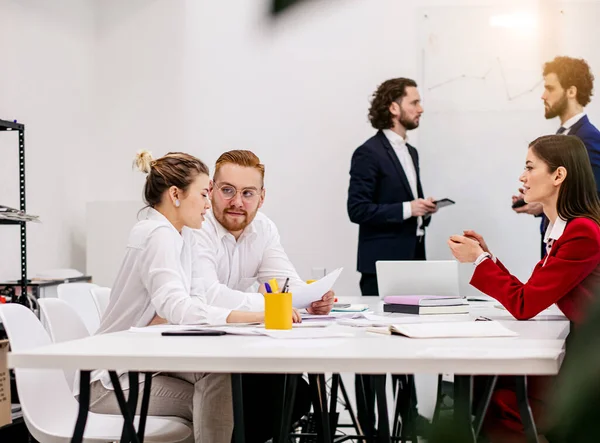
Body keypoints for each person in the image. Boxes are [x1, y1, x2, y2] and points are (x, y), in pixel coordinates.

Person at [89, 151, 300, 443]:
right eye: (204, 194)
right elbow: (176, 306)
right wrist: (254, 315)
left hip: (145, 364)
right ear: (175, 195)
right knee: (224, 399)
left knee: (223, 383)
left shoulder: (181, 234)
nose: (208, 204)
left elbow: (197, 300)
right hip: (112, 380)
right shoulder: (157, 234)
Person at [450, 135, 600, 442]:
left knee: (495, 388)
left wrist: (479, 261)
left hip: (588, 363)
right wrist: (486, 257)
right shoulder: (564, 229)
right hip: (578, 348)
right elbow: (530, 294)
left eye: (530, 167)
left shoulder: (581, 232)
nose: (522, 177)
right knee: (486, 379)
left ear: (559, 175)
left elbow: (524, 304)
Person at [194, 149, 333, 442]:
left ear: (262, 197)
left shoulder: (263, 228)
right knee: (270, 392)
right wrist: (272, 304)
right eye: (227, 190)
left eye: (248, 193)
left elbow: (284, 282)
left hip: (233, 352)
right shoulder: (198, 226)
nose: (237, 202)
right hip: (195, 355)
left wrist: (312, 297)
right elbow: (207, 295)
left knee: (293, 391)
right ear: (211, 190)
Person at [347, 77, 437, 297]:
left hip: (414, 259)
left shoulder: (411, 152)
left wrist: (424, 210)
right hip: (382, 266)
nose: (421, 109)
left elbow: (409, 202)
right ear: (394, 108)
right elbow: (357, 209)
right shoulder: (368, 153)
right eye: (414, 103)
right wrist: (409, 209)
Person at [512, 56, 600, 257]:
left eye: (550, 88)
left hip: (573, 250)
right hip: (554, 242)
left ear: (571, 91)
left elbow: (589, 198)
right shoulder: (562, 136)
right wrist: (540, 202)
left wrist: (544, 202)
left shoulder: (589, 139)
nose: (543, 96)